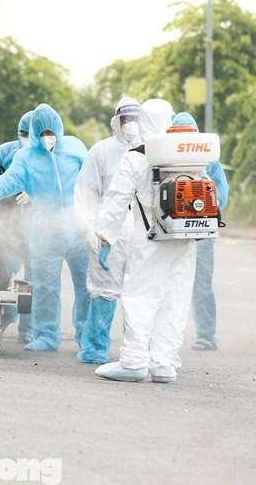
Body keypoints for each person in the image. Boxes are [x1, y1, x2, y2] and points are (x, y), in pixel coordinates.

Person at [94, 98, 198, 383]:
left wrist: (105, 237)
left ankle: (134, 362)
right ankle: (164, 365)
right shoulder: (187, 155)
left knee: (140, 296)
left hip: (151, 239)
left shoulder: (137, 156)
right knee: (175, 300)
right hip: (185, 240)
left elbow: (117, 200)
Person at [0, 103, 89, 352]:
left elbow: (92, 179)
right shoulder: (26, 156)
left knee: (86, 287)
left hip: (79, 226)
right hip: (46, 230)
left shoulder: (75, 148)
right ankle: (46, 335)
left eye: (51, 132)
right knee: (46, 287)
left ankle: (88, 338)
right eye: (42, 133)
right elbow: (12, 177)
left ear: (59, 129)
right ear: (35, 133)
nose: (48, 137)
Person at [73, 96, 142, 364]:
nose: (131, 125)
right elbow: (85, 193)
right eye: (126, 119)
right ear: (117, 122)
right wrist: (87, 228)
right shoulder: (101, 151)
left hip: (141, 231)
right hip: (108, 231)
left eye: (135, 119)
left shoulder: (150, 151)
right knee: (103, 291)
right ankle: (94, 347)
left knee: (140, 293)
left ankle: (138, 349)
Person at [171, 111, 229, 351]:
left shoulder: (209, 160)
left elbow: (221, 195)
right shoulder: (166, 157)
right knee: (170, 281)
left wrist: (205, 210)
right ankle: (168, 334)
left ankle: (207, 334)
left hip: (202, 229)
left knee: (201, 282)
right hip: (173, 228)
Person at [0, 110, 34, 342]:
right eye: (23, 133)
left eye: (30, 134)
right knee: (5, 272)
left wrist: (35, 195)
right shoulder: (7, 150)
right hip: (8, 226)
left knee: (33, 281)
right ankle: (3, 320)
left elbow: (56, 186)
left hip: (36, 227)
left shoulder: (48, 156)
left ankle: (28, 330)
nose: (26, 139)